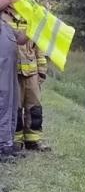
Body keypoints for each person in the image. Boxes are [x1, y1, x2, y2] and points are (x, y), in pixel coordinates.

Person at [13, 11, 51, 151]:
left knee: (34, 108)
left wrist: (42, 71)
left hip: (32, 74)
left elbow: (39, 49)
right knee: (15, 109)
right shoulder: (6, 17)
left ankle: (33, 140)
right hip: (13, 74)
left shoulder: (32, 20)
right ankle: (15, 141)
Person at [0, 0, 25, 162]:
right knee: (2, 103)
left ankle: (8, 142)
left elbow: (21, 39)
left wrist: (35, 27)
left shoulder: (5, 23)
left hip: (10, 73)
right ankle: (2, 146)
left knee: (11, 103)